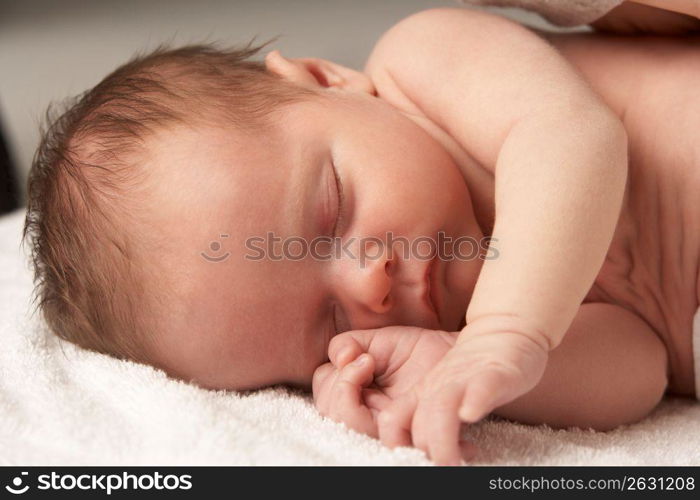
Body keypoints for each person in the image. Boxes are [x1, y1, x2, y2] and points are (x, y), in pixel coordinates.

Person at [23, 5, 698, 466]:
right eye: (330, 323)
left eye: (332, 212)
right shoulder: (470, 331)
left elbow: (572, 136)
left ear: (327, 82)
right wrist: (467, 372)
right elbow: (643, 367)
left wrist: (506, 330)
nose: (368, 283)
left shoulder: (423, 61)